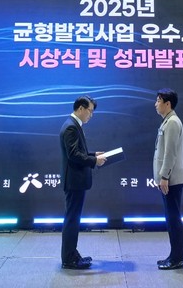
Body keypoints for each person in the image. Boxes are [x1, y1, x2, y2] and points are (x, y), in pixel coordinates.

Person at [59, 96, 106, 270]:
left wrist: (93, 155)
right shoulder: (71, 127)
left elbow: (79, 151)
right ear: (80, 108)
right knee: (72, 220)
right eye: (90, 111)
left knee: (73, 219)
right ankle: (69, 259)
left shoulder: (74, 124)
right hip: (74, 181)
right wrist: (94, 161)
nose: (91, 115)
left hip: (76, 181)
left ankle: (72, 254)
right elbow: (73, 155)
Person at [153, 88, 183, 270]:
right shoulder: (168, 121)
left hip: (172, 179)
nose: (155, 104)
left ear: (168, 104)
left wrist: (164, 176)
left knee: (174, 219)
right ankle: (173, 256)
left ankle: (177, 259)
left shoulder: (173, 122)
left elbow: (170, 153)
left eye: (158, 101)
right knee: (171, 218)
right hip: (169, 178)